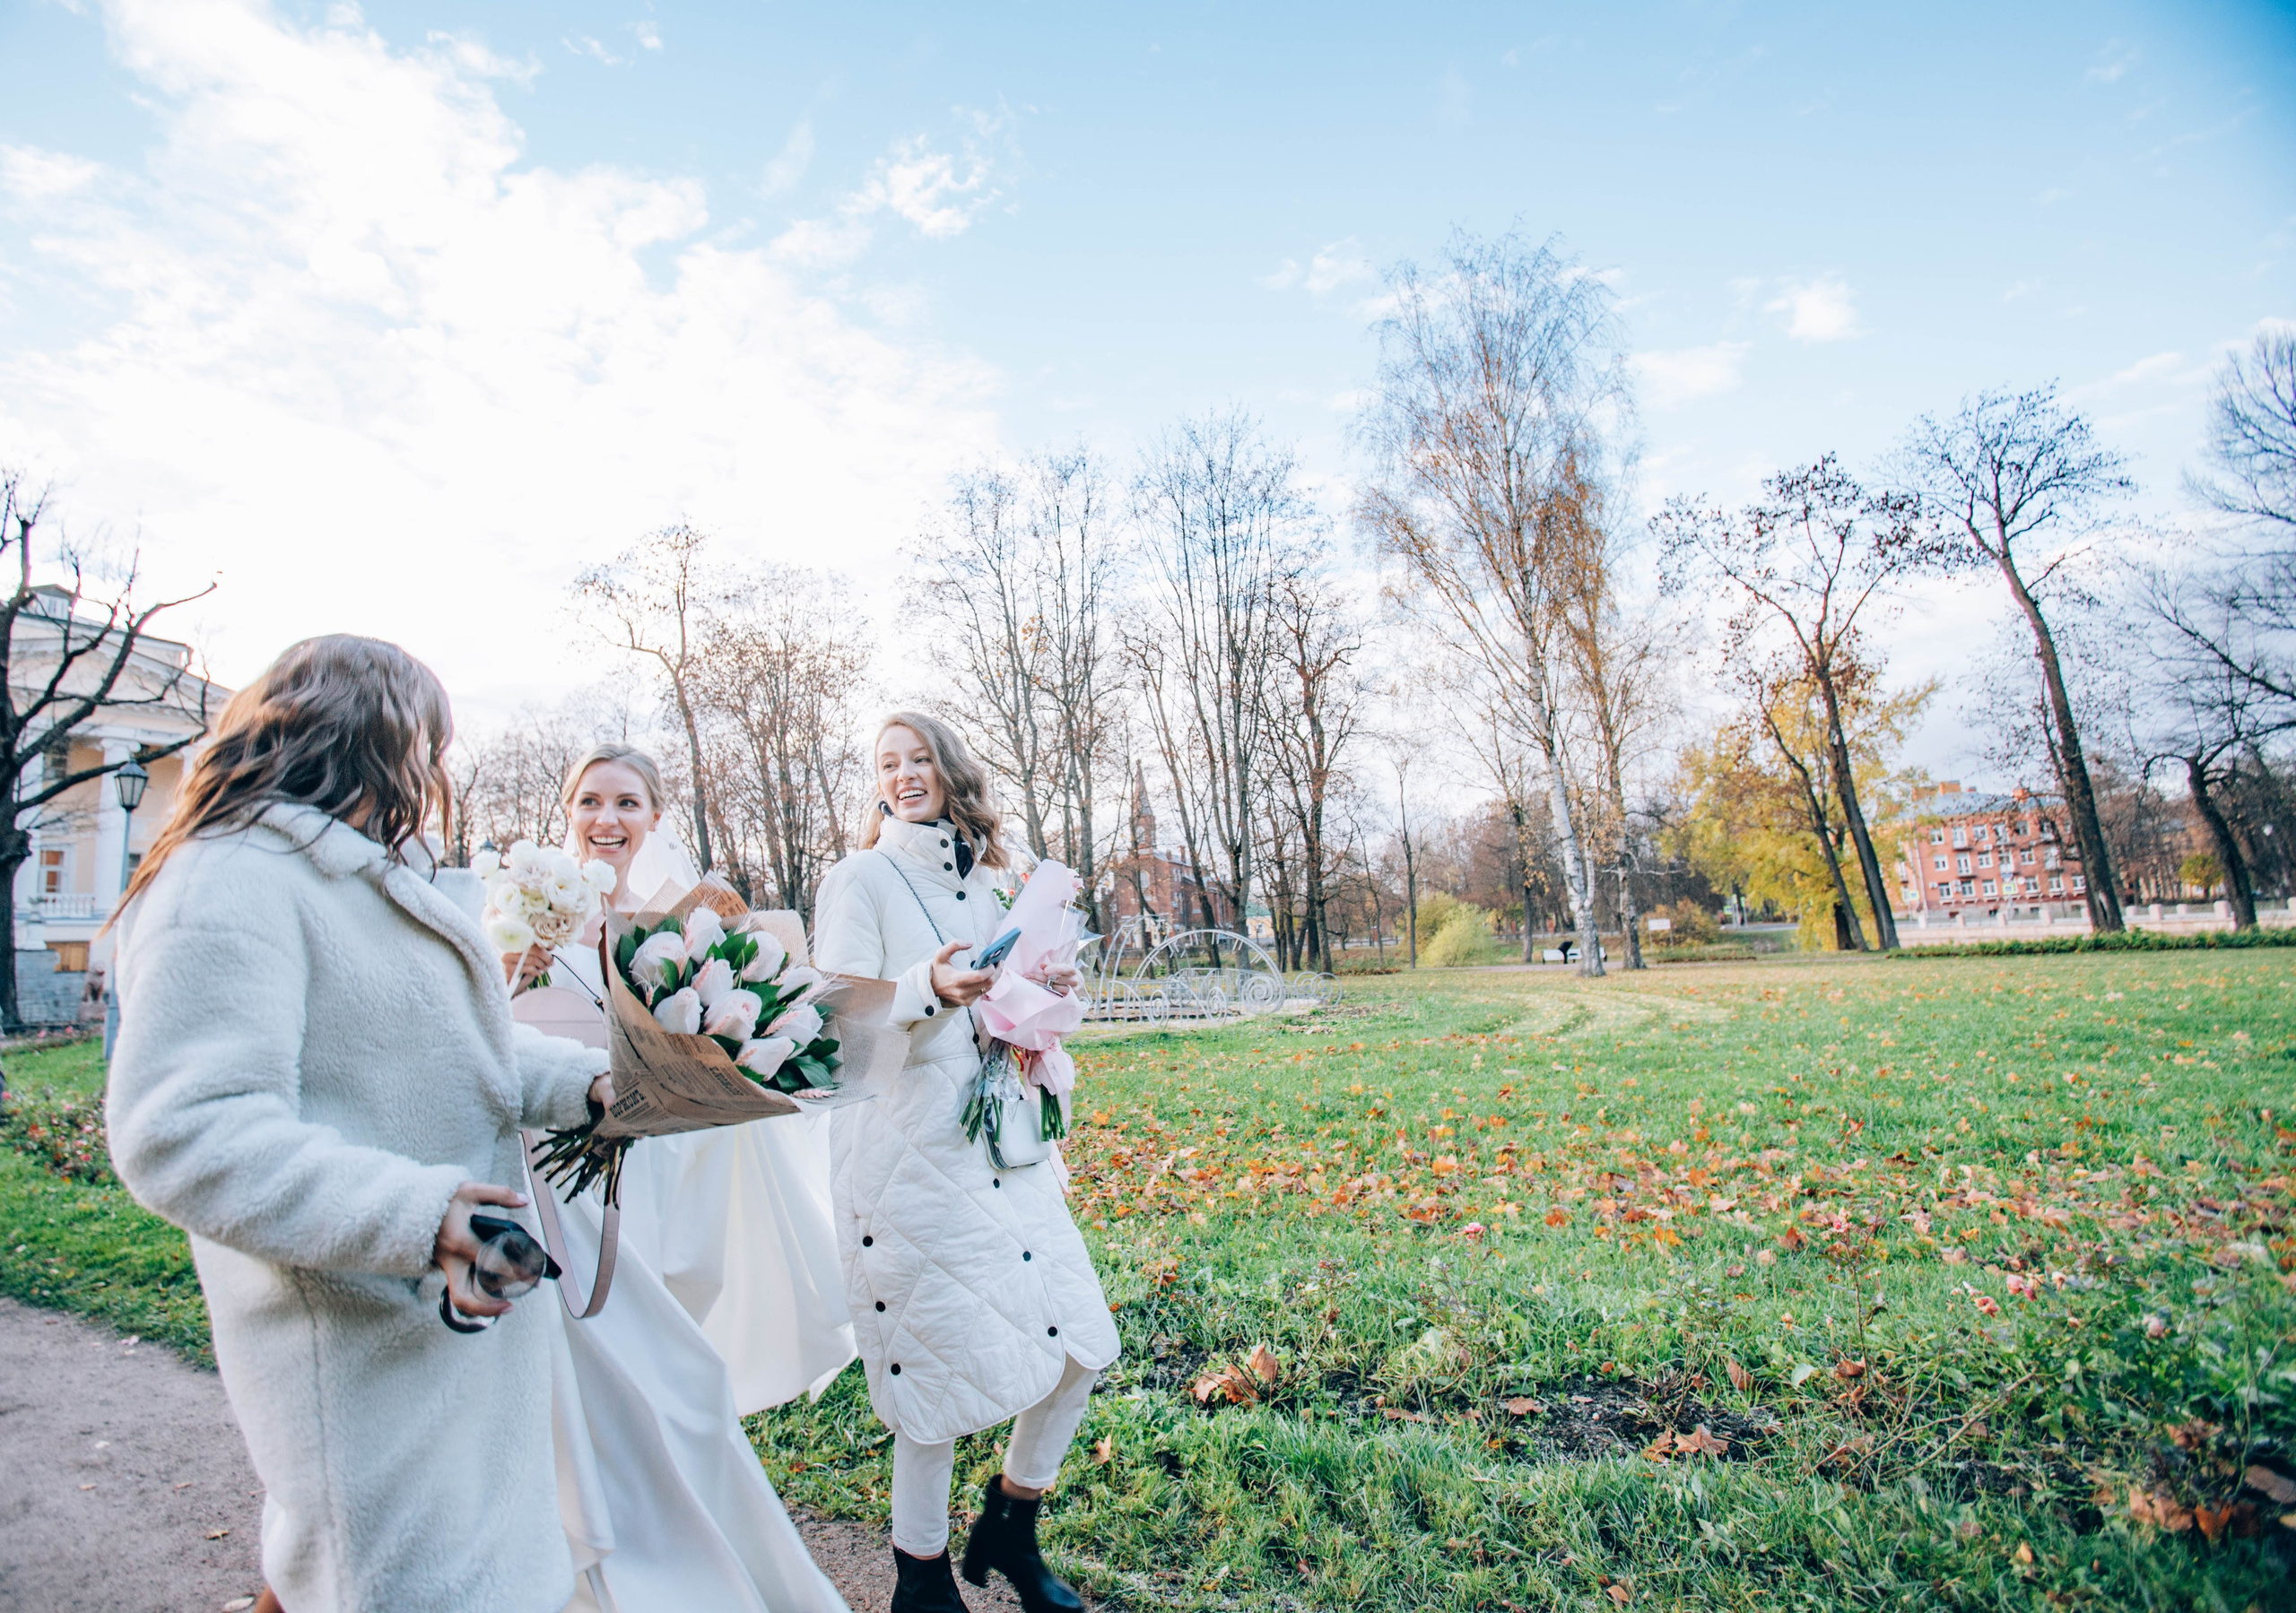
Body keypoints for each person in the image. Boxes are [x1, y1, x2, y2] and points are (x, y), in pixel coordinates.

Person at [104, 636, 615, 1613]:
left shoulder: (363, 878)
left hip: (446, 1334)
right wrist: (419, 1216)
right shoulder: (229, 879)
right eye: (428, 742)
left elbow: (459, 1050)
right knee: (387, 1584)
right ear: (369, 735)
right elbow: (186, 1126)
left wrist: (597, 1087)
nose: (434, 771)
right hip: (358, 1333)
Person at [505, 743, 852, 1613]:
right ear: (567, 812)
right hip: (555, 1185)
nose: (605, 818)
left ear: (655, 817)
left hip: (659, 1174)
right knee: (591, 1383)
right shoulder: (523, 922)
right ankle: (600, 1568)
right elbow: (490, 1038)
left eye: (625, 801)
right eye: (588, 800)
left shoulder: (681, 930)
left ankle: (686, 1562)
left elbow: (710, 1055)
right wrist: (520, 971)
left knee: (674, 1373)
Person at [812, 712, 1119, 1613]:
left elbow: (1012, 991)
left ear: (950, 771)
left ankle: (1010, 1525)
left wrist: (1047, 989)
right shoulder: (859, 877)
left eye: (919, 759)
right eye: (886, 763)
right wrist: (924, 988)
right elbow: (834, 1024)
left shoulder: (992, 880)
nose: (904, 774)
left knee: (1080, 1344)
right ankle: (920, 1576)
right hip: (907, 1155)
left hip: (1006, 1142)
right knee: (937, 1373)